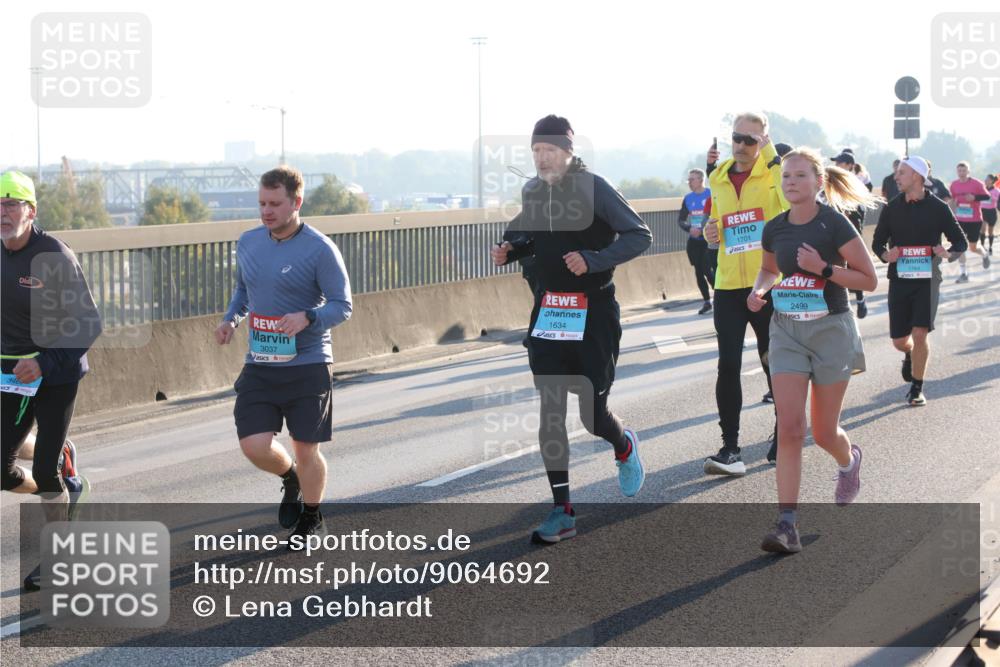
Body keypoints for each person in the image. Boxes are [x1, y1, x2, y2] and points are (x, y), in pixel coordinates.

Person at [492, 115, 651, 543]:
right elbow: (528, 233)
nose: (542, 159)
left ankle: (623, 444)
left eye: (549, 151)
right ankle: (562, 510)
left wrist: (593, 259)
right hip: (550, 313)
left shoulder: (593, 188)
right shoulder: (533, 191)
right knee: (551, 410)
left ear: (568, 151)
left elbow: (640, 235)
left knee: (592, 414)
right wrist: (510, 248)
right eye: (536, 152)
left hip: (594, 313)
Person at [749, 148, 879, 553]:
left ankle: (848, 461)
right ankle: (787, 524)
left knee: (823, 432)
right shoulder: (774, 228)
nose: (791, 182)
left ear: (818, 182)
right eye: (787, 176)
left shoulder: (834, 224)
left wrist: (823, 268)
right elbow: (770, 268)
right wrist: (760, 289)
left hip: (830, 331)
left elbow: (869, 279)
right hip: (786, 329)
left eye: (800, 176)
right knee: (790, 427)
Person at [216, 165, 352, 548]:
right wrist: (231, 320)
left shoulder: (320, 249)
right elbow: (243, 290)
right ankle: (290, 476)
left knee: (307, 447)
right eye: (262, 203)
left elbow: (343, 306)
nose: (267, 211)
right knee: (253, 445)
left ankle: (312, 516)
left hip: (308, 364)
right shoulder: (248, 242)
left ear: (296, 202)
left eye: (275, 203)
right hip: (260, 363)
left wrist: (308, 316)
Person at [2, 170, 99, 590]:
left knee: (42, 471)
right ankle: (61, 459)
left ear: (31, 210)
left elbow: (88, 324)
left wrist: (43, 362)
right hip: (8, 373)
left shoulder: (55, 256)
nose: (3, 213)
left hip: (55, 373)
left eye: (11, 204)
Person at [702, 112, 788, 472]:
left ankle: (785, 433)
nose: (740, 146)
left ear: (764, 141)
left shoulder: (776, 173)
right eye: (737, 138)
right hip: (727, 284)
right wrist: (711, 231)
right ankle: (730, 448)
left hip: (766, 282)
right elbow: (717, 219)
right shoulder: (718, 176)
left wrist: (772, 157)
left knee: (774, 362)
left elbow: (789, 207)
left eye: (750, 140)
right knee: (728, 364)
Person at [872, 157, 967, 406]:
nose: (896, 177)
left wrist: (948, 253)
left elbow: (960, 241)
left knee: (920, 332)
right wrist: (885, 254)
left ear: (916, 175)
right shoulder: (892, 207)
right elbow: (877, 242)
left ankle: (917, 388)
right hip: (900, 279)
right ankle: (908, 354)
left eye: (901, 173)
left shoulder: (938, 208)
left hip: (928, 279)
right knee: (900, 341)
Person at [678, 168, 714, 314]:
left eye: (692, 179)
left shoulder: (711, 194)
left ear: (701, 180)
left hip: (708, 239)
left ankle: (720, 295)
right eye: (688, 180)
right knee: (698, 271)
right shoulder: (688, 198)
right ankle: (706, 301)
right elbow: (681, 219)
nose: (689, 182)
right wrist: (689, 228)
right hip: (694, 240)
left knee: (707, 269)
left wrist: (706, 228)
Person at [949, 161, 992, 281]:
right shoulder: (954, 185)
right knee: (960, 245)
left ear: (968, 171)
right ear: (957, 172)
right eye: (959, 171)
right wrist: (952, 212)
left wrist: (975, 198)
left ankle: (984, 254)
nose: (961, 173)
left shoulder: (977, 184)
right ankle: (964, 274)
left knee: (973, 247)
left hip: (974, 219)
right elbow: (952, 200)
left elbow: (987, 196)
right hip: (960, 219)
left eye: (964, 171)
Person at [983, 174, 998, 255]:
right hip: (982, 211)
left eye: (987, 179)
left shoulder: (996, 191)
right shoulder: (982, 189)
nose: (985, 180)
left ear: (991, 181)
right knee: (982, 229)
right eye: (985, 179)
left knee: (990, 231)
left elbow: (997, 201)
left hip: (991, 212)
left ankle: (990, 247)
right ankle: (982, 246)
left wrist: (991, 197)